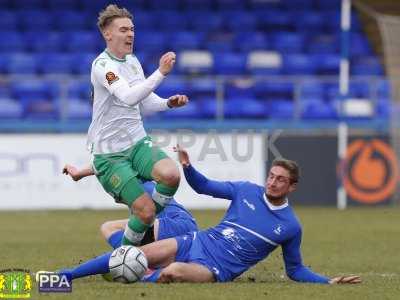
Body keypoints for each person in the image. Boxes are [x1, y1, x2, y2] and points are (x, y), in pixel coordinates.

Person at [49, 146, 361, 285]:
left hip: (216, 267)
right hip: (197, 239)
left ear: (291, 187)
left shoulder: (290, 226)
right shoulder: (246, 190)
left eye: (281, 179)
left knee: (173, 274)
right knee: (134, 253)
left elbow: (295, 270)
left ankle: (142, 274)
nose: (272, 181)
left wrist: (327, 283)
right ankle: (65, 276)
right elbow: (204, 187)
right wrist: (187, 167)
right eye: (271, 175)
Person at [87, 4, 189, 247]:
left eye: (132, 29)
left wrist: (168, 104)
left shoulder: (132, 61)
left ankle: (143, 226)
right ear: (107, 34)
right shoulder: (103, 67)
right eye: (123, 30)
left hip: (137, 143)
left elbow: (146, 102)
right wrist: (161, 73)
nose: (130, 34)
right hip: (110, 155)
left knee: (171, 175)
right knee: (144, 212)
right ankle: (126, 255)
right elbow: (129, 97)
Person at [62, 164, 198, 250]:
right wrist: (79, 174)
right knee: (135, 236)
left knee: (109, 228)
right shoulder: (138, 185)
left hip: (176, 224)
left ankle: (125, 260)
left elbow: (103, 165)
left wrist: (79, 174)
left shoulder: (136, 189)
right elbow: (101, 165)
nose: (115, 199)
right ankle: (132, 260)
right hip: (187, 226)